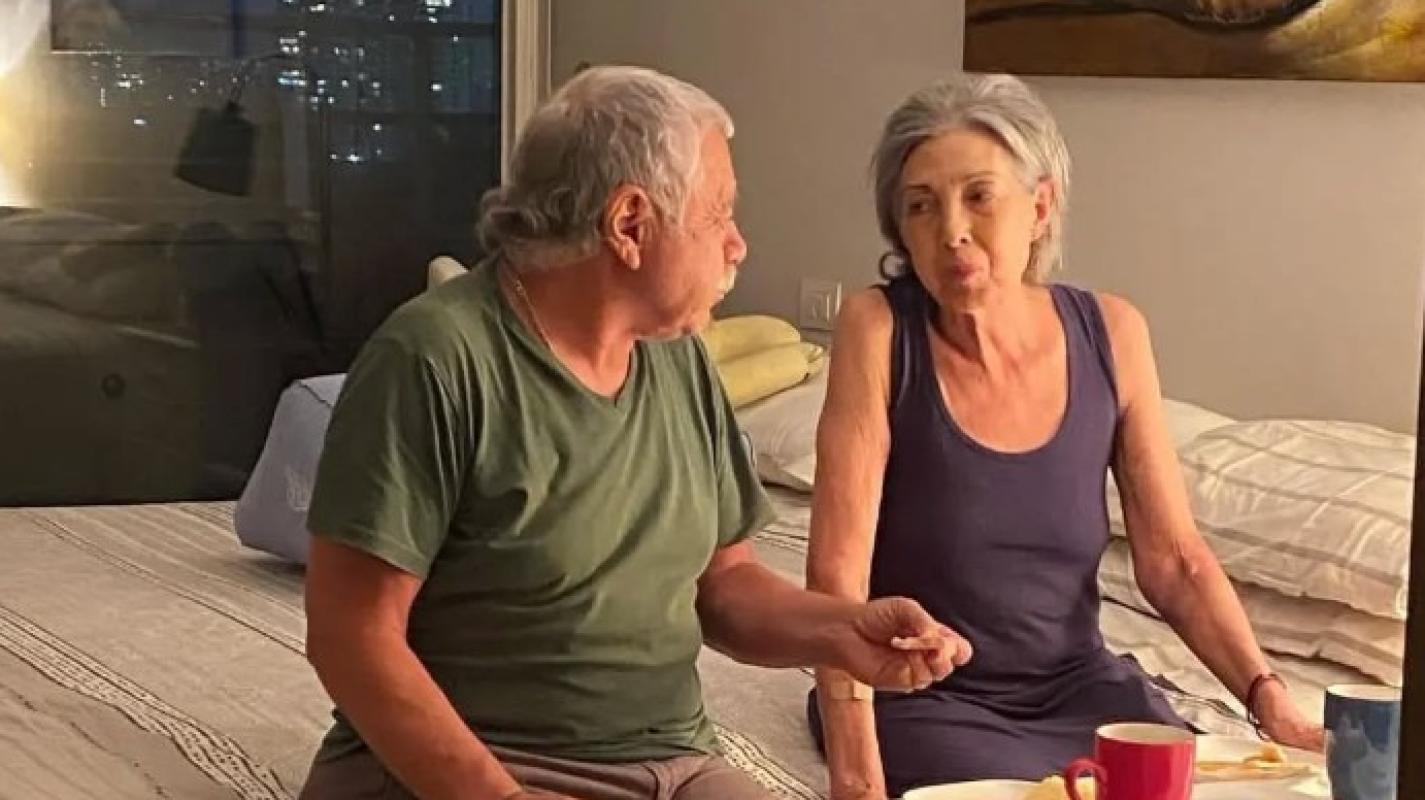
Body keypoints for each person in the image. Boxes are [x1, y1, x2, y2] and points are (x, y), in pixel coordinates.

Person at [298, 65, 969, 800]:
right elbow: (349, 636)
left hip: (672, 764)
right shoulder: (433, 357)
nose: (738, 244)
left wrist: (842, 630)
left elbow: (725, 585)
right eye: (719, 214)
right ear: (628, 225)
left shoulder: (678, 356)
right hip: (482, 766)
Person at [805, 73, 1324, 800]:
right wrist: (857, 778)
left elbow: (1174, 562)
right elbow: (837, 578)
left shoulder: (1113, 332)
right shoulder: (879, 328)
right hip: (924, 697)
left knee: (1203, 787)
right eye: (920, 205)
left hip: (1081, 687)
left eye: (979, 196)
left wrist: (1269, 698)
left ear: (1040, 206)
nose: (951, 230)